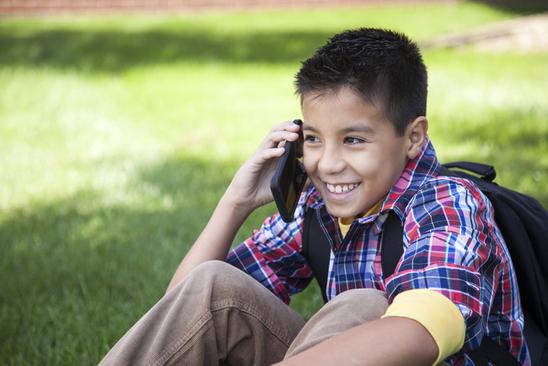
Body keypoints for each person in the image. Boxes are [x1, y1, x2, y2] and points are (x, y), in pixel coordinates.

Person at [99, 28, 530, 366]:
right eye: (312, 139)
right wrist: (236, 202)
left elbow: (418, 335)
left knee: (366, 306)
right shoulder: (315, 208)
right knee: (216, 286)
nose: (327, 164)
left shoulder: (447, 203)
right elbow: (186, 315)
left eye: (354, 140)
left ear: (413, 136)